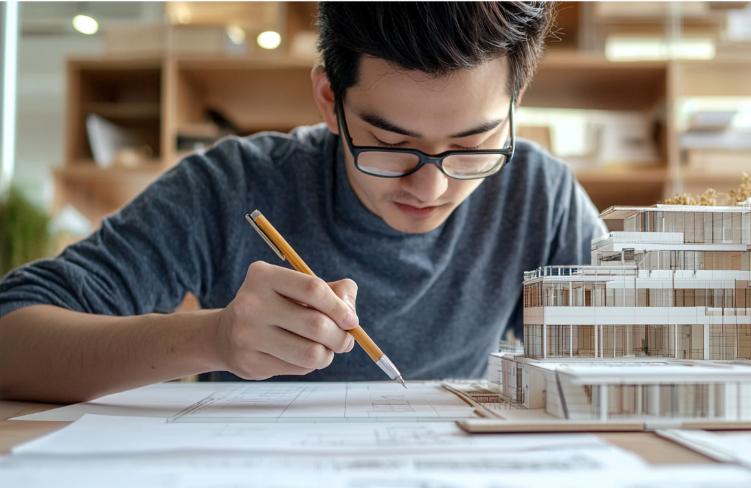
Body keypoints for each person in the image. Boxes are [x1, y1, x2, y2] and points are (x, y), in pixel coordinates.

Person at [0, 0, 605, 404]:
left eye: (473, 145)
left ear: (515, 104)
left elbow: (615, 366)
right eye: (391, 145)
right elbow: (12, 336)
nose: (432, 188)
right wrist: (213, 339)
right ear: (329, 100)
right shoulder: (232, 186)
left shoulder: (540, 196)